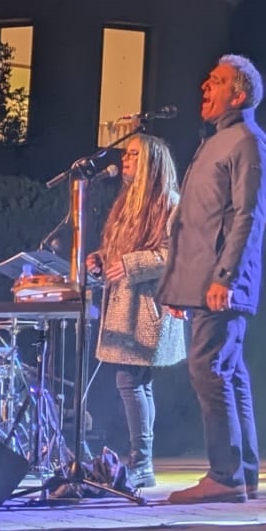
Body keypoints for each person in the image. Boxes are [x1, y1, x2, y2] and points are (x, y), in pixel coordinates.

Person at [157, 55, 266, 503]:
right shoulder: (217, 141)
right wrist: (177, 283)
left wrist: (225, 276)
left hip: (222, 282)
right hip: (205, 279)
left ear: (238, 95)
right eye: (207, 78)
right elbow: (195, 221)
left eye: (217, 81)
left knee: (210, 369)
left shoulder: (247, 141)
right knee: (228, 371)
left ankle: (225, 477)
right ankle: (242, 475)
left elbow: (247, 216)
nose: (205, 85)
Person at [86, 132, 187, 492]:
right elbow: (118, 250)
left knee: (130, 380)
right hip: (124, 303)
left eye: (132, 155)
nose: (124, 160)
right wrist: (101, 259)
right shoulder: (127, 202)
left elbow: (173, 253)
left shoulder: (170, 203)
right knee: (135, 382)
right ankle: (141, 462)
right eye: (126, 155)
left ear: (152, 163)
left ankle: (142, 463)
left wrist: (129, 265)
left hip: (148, 305)